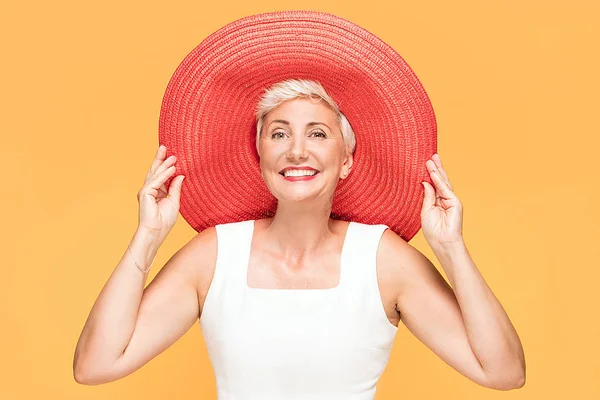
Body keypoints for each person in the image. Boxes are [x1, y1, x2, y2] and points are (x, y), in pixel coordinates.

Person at [73, 11, 525, 399]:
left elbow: (503, 373)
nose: (296, 151)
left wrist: (451, 249)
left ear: (346, 160)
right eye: (279, 133)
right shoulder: (215, 255)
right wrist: (148, 237)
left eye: (318, 133)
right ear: (261, 154)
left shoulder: (383, 260)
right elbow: (95, 365)